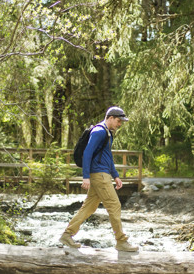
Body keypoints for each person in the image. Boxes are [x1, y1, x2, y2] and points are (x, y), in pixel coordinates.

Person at [59, 106, 139, 252]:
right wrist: (85, 176)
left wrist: (115, 175)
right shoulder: (99, 131)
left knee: (89, 207)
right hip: (99, 176)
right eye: (118, 121)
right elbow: (88, 153)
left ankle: (67, 234)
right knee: (114, 205)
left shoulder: (108, 133)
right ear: (110, 118)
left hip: (103, 174)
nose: (120, 124)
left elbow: (108, 156)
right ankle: (121, 241)